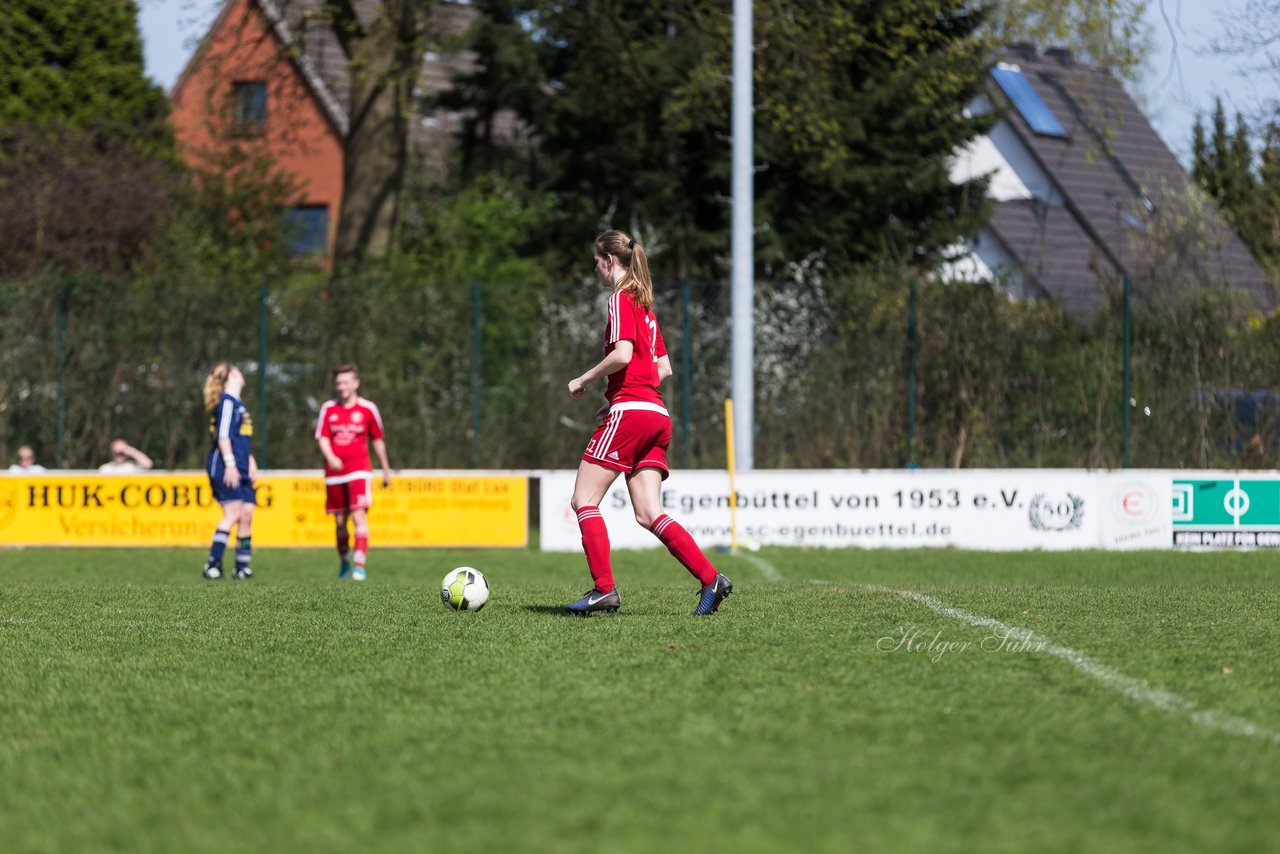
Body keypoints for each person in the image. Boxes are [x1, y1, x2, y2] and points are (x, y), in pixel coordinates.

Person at [564, 230, 733, 616]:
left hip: (634, 412)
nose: (595, 266)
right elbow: (663, 369)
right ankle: (711, 579)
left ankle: (603, 590)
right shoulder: (646, 309)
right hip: (656, 414)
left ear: (610, 261)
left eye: (597, 259)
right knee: (648, 513)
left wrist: (585, 380)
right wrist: (624, 399)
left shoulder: (620, 299)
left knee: (583, 500)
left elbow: (623, 354)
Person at [314, 364, 392, 581]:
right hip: (334, 473)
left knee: (359, 515)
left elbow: (377, 440)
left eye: (346, 382)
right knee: (340, 522)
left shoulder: (368, 409)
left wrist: (386, 469)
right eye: (338, 383)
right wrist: (331, 457)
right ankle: (344, 562)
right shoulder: (328, 409)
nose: (342, 387)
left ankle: (359, 567)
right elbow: (322, 437)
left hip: (359, 470)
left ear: (356, 383)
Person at [201, 363, 257, 580]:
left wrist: (250, 460)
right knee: (232, 512)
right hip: (226, 465)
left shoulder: (238, 404)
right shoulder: (227, 402)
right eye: (239, 371)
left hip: (241, 465)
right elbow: (223, 436)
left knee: (247, 514)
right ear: (233, 374)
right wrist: (231, 464)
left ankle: (241, 567)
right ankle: (212, 565)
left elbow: (240, 437)